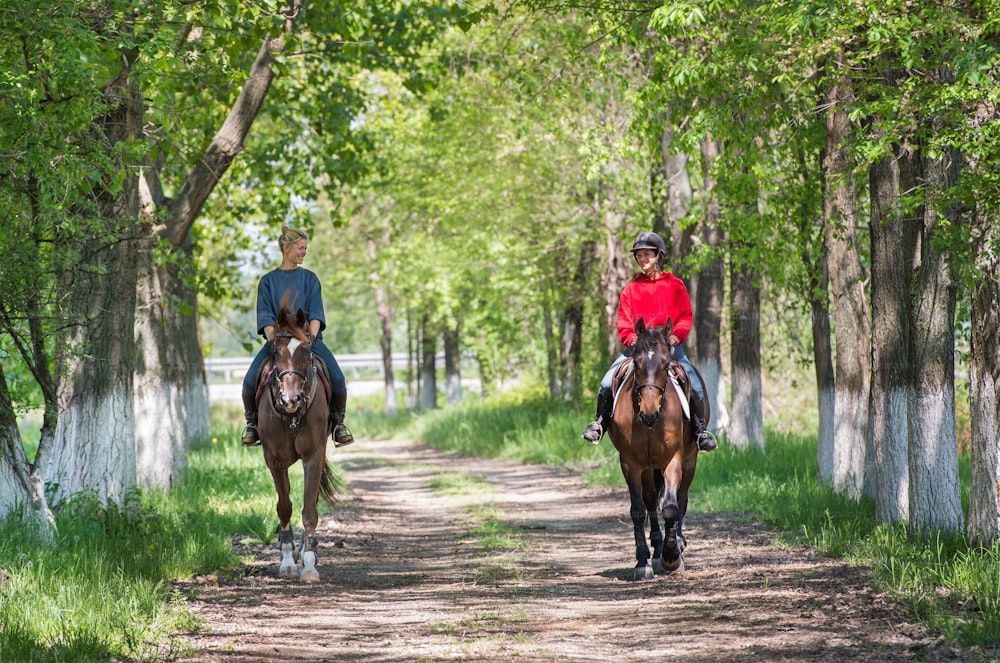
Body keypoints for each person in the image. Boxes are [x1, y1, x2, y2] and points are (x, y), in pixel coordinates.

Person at [581, 231, 717, 452]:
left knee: (695, 384)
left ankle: (700, 431)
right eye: (640, 255)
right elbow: (623, 322)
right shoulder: (630, 289)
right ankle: (600, 424)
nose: (643, 260)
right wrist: (633, 338)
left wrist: (677, 335)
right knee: (607, 382)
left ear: (659, 256)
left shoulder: (675, 286)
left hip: (668, 347)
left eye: (647, 255)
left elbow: (685, 316)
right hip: (639, 349)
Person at [241, 226, 355, 449]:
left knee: (339, 381)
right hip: (279, 343)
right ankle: (253, 424)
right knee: (248, 382)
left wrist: (310, 338)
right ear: (286, 248)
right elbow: (265, 318)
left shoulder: (310, 279)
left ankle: (338, 424)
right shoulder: (267, 282)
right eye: (301, 248)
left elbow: (316, 313)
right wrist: (276, 341)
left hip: (308, 341)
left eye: (305, 248)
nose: (304, 252)